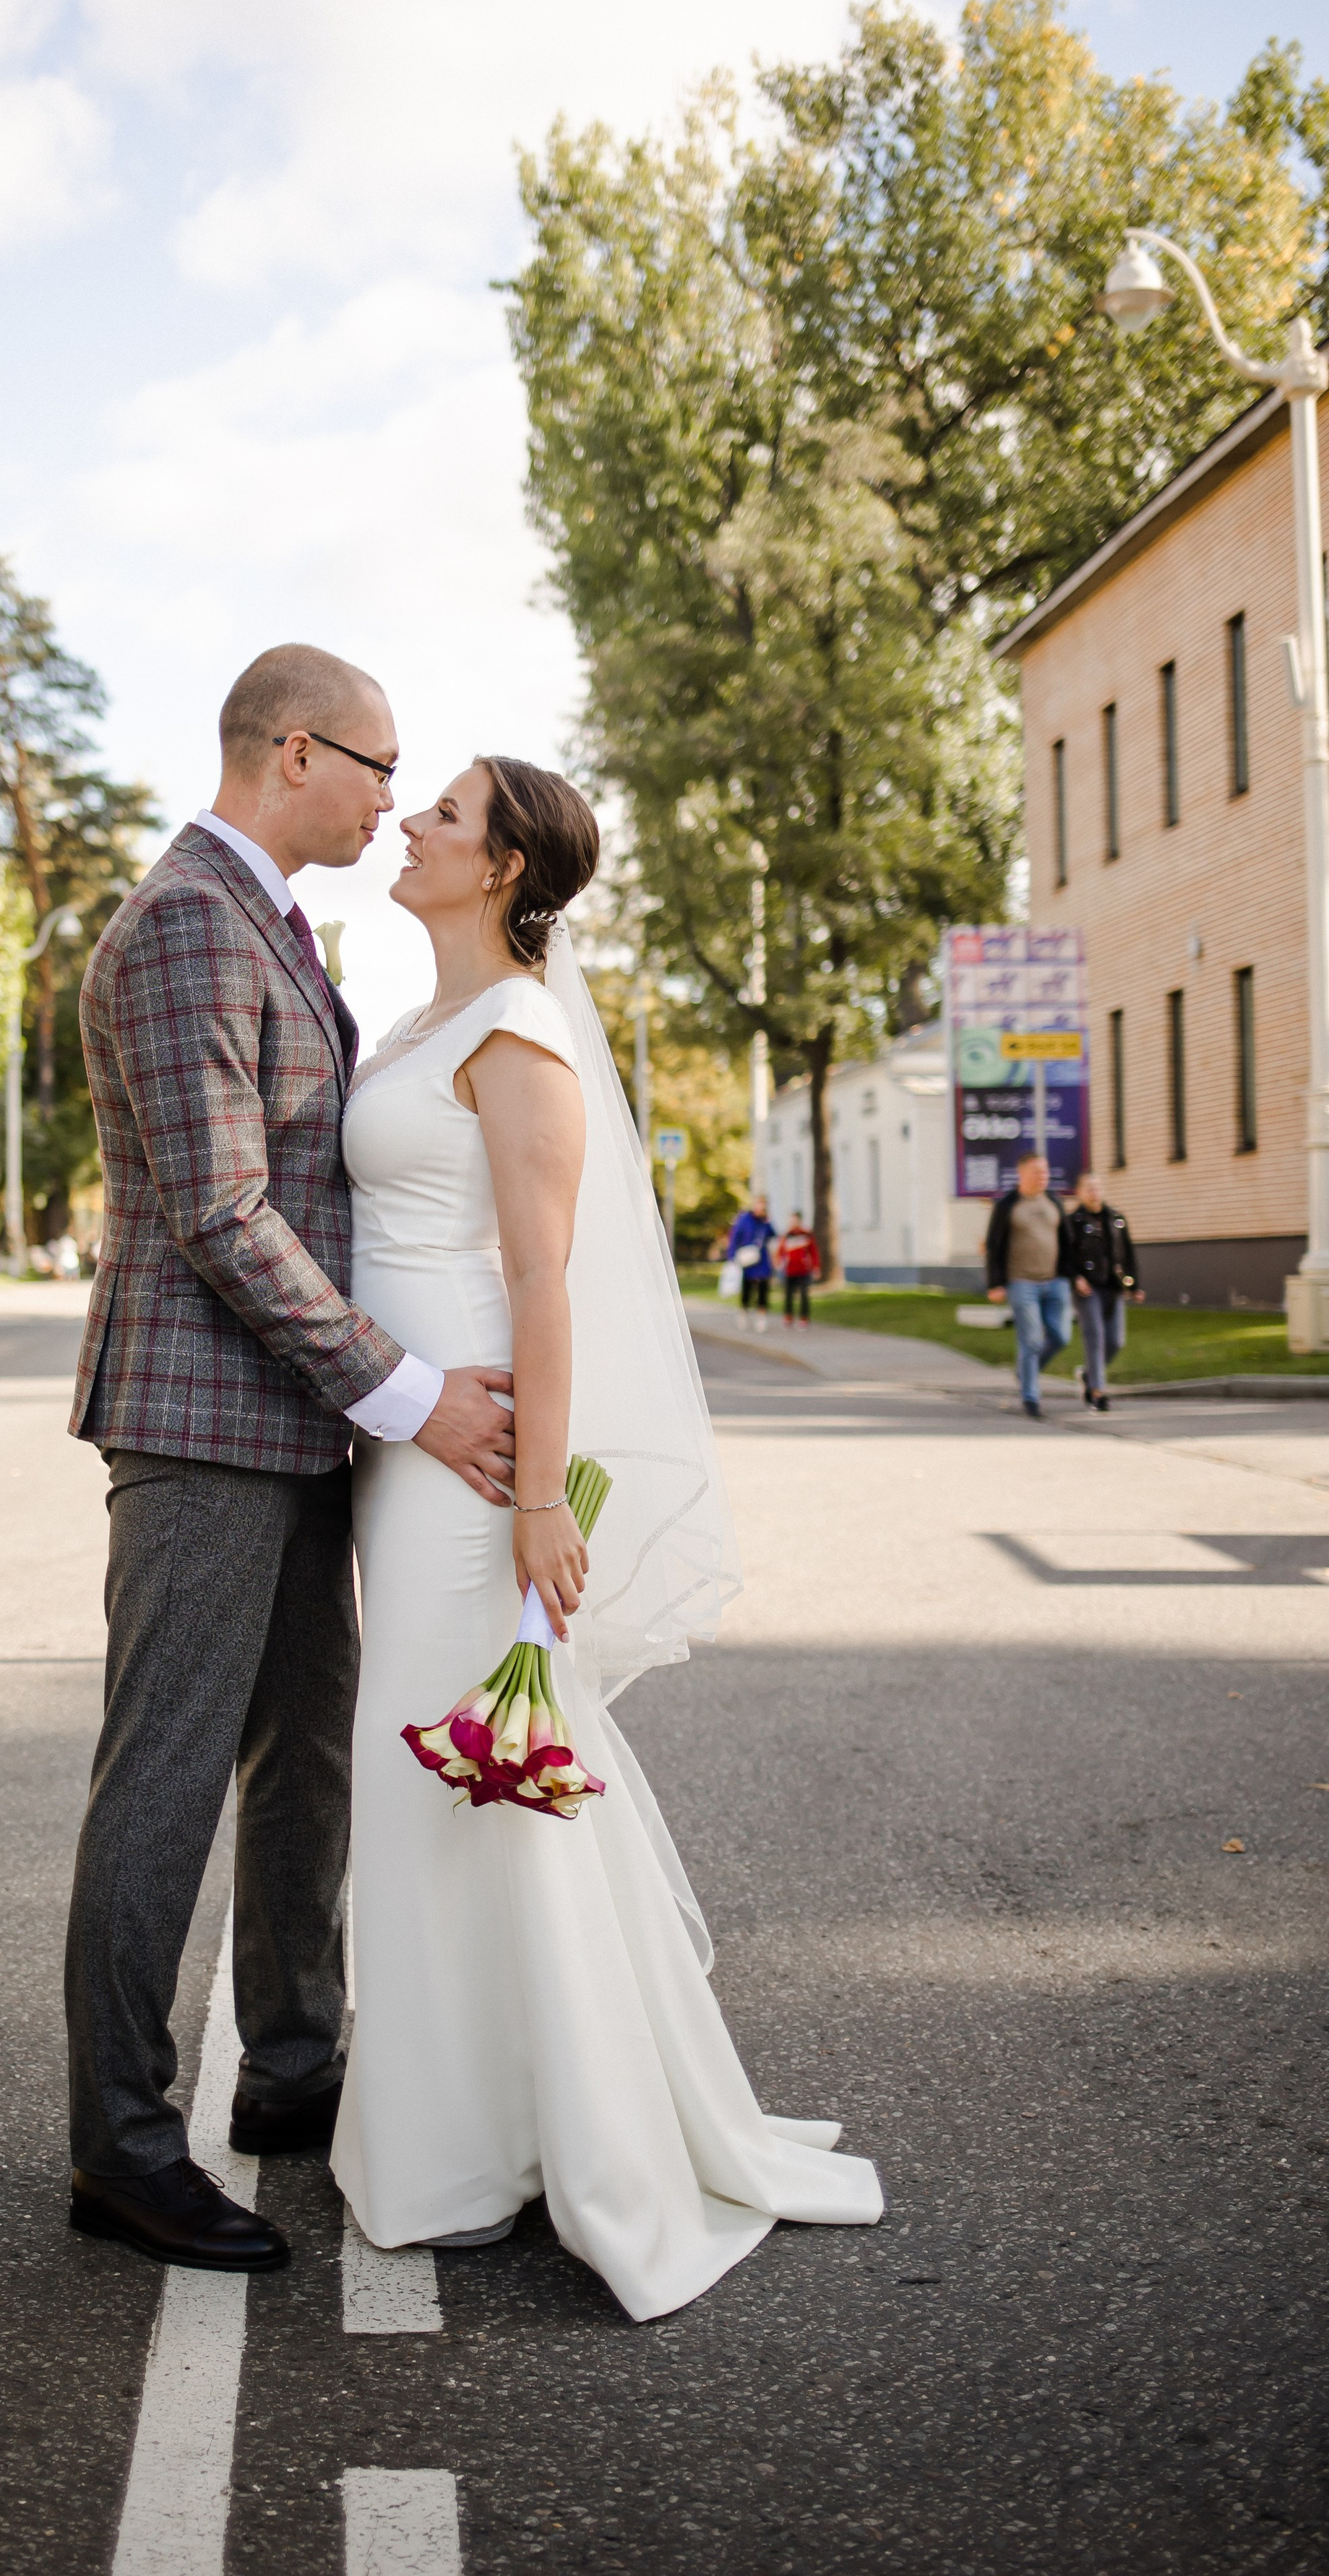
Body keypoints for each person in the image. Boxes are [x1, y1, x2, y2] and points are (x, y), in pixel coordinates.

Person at [332, 757, 882, 2321]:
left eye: (441, 813)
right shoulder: (424, 1023)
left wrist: (531, 1501)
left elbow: (545, 1282)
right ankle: (471, 2123)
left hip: (474, 1464)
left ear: (504, 867)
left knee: (470, 1777)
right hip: (404, 1441)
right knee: (432, 1781)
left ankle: (534, 2142)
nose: (412, 824)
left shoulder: (517, 1039)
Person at [63, 645, 517, 2275]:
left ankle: (293, 2067)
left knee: (301, 1762)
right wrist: (404, 1392)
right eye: (383, 768)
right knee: (166, 1778)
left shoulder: (266, 918)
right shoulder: (188, 916)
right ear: (299, 751)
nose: (397, 799)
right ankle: (120, 2148)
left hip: (294, 1426)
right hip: (197, 1428)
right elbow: (221, 1213)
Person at [985, 1150, 1074, 1421]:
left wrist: (1074, 1275)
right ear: (1022, 1174)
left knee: (1061, 1336)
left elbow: (1067, 1242)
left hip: (1055, 1281)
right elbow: (994, 1246)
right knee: (1032, 1339)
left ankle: (1026, 1373)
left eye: (1046, 1172)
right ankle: (1031, 1397)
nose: (1043, 1177)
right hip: (1021, 1282)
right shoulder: (1008, 1205)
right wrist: (995, 1283)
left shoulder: (1054, 1202)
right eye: (1037, 1172)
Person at [1065, 1169, 1137, 1410]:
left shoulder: (1115, 1218)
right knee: (1095, 1335)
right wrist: (1075, 1278)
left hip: (1113, 1287)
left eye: (1097, 1188)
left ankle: (1088, 1375)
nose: (1094, 1193)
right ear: (1080, 1193)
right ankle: (1098, 1392)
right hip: (1087, 1289)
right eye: (1089, 1188)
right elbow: (1066, 1256)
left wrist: (1135, 1284)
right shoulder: (1073, 1222)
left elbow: (1127, 1252)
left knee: (1116, 1341)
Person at [725, 1192, 776, 1332]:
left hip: (762, 1259)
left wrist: (768, 1222)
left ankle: (761, 1317)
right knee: (747, 1289)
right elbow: (735, 1238)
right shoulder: (744, 1219)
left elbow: (773, 1235)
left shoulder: (765, 1222)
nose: (761, 1207)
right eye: (759, 1204)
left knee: (763, 1289)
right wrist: (731, 1257)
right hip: (747, 1260)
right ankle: (744, 1312)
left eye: (763, 1205)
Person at [776, 1211, 820, 1321]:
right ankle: (788, 1316)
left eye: (795, 1220)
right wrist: (779, 1263)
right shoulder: (786, 1236)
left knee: (804, 1294)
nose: (793, 1223)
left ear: (799, 1221)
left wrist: (816, 1267)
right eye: (791, 1221)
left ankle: (804, 1317)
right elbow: (780, 1252)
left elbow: (813, 1252)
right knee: (788, 1295)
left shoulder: (806, 1235)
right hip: (790, 1270)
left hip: (803, 1270)